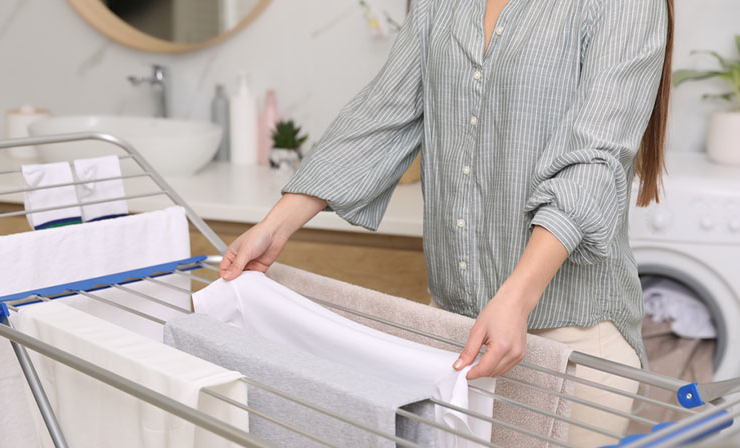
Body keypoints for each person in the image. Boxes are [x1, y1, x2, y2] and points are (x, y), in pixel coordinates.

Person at [219, 0, 673, 445]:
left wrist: (515, 299)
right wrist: (274, 227)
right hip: (455, 330)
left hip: (568, 337)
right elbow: (383, 113)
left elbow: (591, 161)